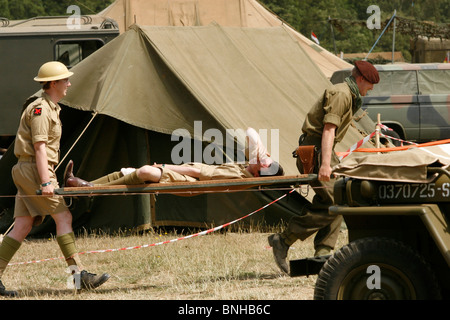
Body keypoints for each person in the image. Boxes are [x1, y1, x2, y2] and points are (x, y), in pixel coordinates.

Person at [0, 62, 110, 297]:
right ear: (52, 84)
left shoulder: (51, 108)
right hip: (35, 170)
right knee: (64, 217)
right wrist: (46, 182)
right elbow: (39, 148)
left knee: (22, 225)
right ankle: (79, 275)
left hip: (30, 169)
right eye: (65, 80)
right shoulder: (41, 109)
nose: (69, 83)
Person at [268, 60, 380, 274]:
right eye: (370, 84)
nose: (371, 90)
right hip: (316, 152)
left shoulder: (349, 94)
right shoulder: (343, 94)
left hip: (320, 150)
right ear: (361, 79)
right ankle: (283, 240)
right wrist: (326, 164)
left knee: (340, 196)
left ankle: (323, 253)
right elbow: (329, 130)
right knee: (336, 200)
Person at [64, 128, 284, 188]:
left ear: (261, 172)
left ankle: (90, 189)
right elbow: (252, 136)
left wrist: (164, 166)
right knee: (128, 172)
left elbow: (198, 172)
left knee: (145, 172)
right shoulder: (247, 168)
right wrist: (261, 158)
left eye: (265, 163)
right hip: (192, 177)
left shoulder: (240, 175)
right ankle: (84, 187)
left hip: (190, 182)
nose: (263, 159)